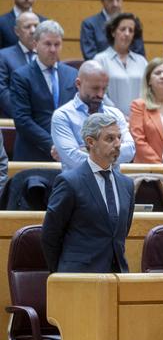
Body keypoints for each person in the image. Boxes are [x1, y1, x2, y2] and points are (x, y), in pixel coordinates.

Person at [41, 113, 135, 273]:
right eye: (110, 139)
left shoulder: (127, 184)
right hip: (78, 277)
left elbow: (120, 232)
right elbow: (51, 234)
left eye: (119, 137)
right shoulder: (70, 182)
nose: (118, 144)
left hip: (117, 276)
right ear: (90, 142)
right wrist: (62, 273)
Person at [11, 20, 77, 162]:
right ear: (35, 45)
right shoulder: (21, 76)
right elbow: (22, 120)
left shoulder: (72, 74)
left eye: (57, 44)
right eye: (48, 44)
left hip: (67, 153)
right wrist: (52, 144)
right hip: (33, 153)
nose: (53, 49)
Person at [51, 60, 135, 170]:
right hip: (78, 185)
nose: (100, 94)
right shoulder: (62, 116)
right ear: (78, 84)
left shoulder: (115, 114)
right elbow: (74, 159)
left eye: (104, 89)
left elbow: (130, 150)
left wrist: (86, 150)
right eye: (95, 88)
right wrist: (112, 151)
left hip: (111, 184)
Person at [129, 58, 163, 164]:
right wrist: (161, 166)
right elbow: (139, 141)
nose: (162, 76)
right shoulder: (138, 106)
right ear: (149, 80)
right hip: (150, 170)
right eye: (158, 73)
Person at [93, 12, 147, 116]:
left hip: (139, 120)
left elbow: (148, 92)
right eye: (123, 29)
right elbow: (99, 94)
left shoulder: (142, 61)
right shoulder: (100, 60)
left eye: (131, 30)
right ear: (113, 32)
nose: (127, 34)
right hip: (110, 120)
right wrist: (118, 115)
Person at [80, 0, 145, 60]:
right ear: (102, 1)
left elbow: (139, 53)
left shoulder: (132, 23)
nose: (115, 4)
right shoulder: (89, 25)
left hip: (130, 68)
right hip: (102, 69)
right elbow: (91, 58)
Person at [0, 11, 38, 117]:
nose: (33, 30)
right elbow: (2, 91)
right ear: (17, 31)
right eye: (27, 27)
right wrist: (22, 114)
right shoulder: (3, 56)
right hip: (15, 118)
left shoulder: (47, 55)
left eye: (36, 26)